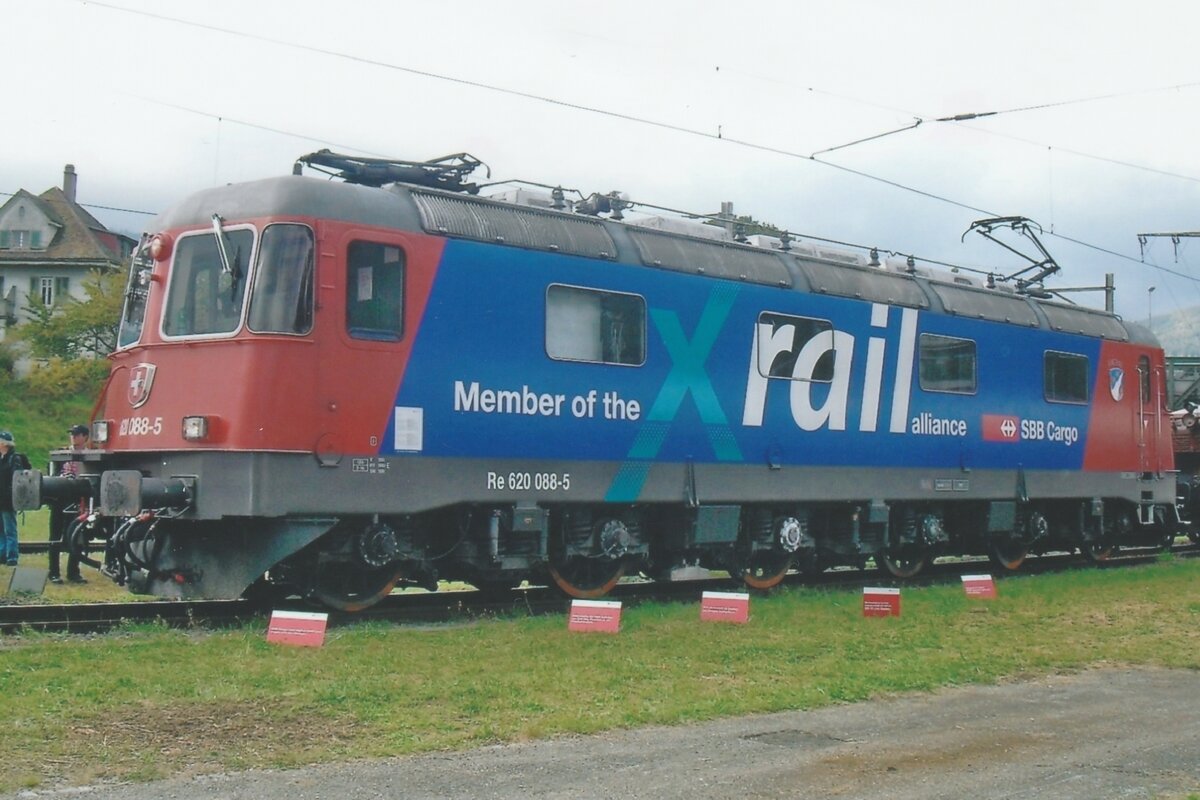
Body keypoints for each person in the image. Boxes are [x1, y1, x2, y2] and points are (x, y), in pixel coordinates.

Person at [49, 425, 90, 584]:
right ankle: (54, 572)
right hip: (60, 500)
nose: (73, 437)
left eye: (77, 434)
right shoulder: (62, 453)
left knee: (76, 536)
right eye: (72, 434)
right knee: (55, 536)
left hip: (78, 500)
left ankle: (73, 572)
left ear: (85, 437)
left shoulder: (90, 456)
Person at [0, 430, 32, 567]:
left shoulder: (14, 459)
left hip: (8, 499)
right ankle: (3, 554)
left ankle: (12, 556)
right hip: (1, 498)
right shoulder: (2, 458)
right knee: (2, 529)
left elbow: (16, 479)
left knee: (9, 529)